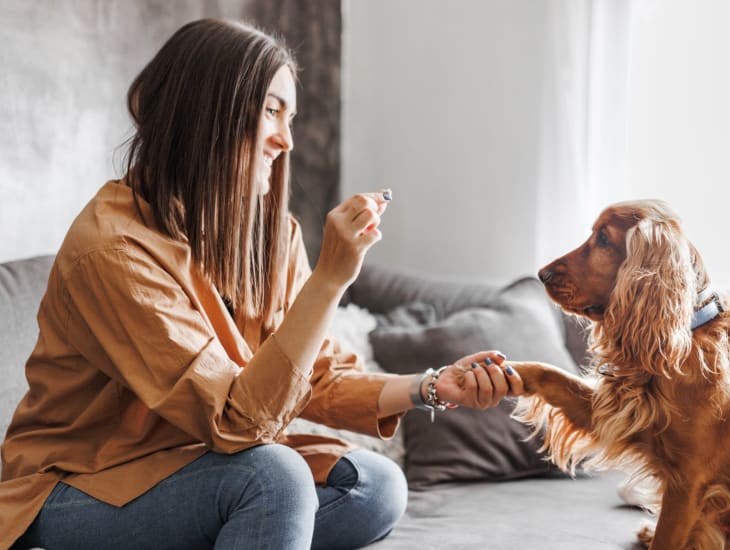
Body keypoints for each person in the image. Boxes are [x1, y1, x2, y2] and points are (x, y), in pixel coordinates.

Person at [0, 18, 524, 550]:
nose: (286, 139)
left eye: (290, 117)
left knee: (374, 485)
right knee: (273, 478)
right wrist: (331, 279)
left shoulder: (270, 236)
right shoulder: (111, 250)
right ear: (205, 109)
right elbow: (236, 423)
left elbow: (313, 377)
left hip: (197, 467)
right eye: (272, 110)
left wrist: (433, 387)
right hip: (79, 485)